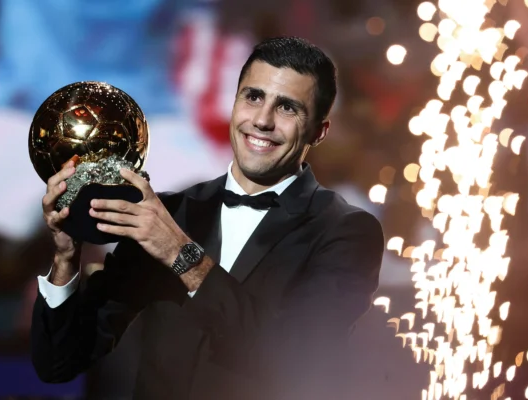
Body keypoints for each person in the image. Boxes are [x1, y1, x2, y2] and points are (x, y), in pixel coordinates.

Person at [31, 36, 384, 400]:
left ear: (319, 132)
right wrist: (65, 256)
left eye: (288, 108)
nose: (262, 120)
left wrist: (182, 256)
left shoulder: (346, 231)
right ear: (233, 103)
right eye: (253, 97)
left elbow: (295, 357)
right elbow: (59, 363)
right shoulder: (169, 213)